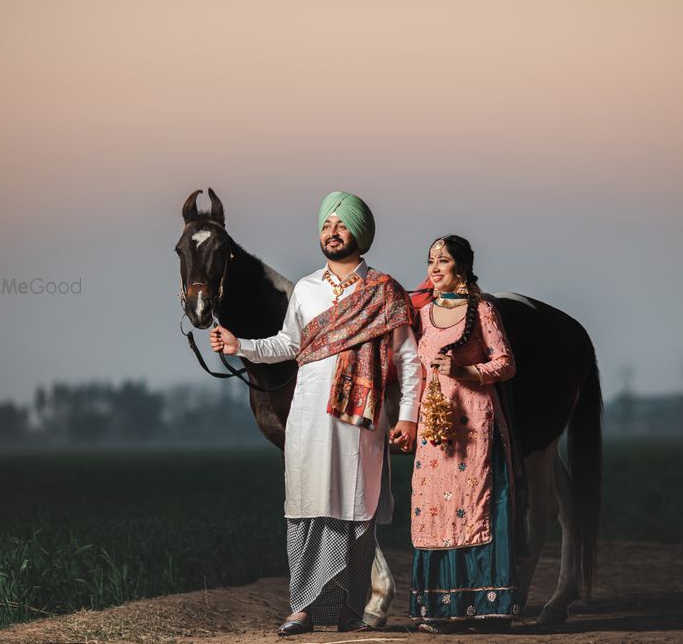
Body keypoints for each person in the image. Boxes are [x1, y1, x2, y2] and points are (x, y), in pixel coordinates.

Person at [209, 191, 423, 636]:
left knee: (357, 510)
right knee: (306, 507)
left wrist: (407, 416)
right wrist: (240, 345)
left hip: (360, 420)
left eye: (341, 225)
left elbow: (407, 360)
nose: (332, 232)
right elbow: (288, 346)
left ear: (360, 234)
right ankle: (303, 608)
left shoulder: (385, 291)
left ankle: (348, 611)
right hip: (308, 414)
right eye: (326, 225)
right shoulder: (306, 289)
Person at [409, 235, 520, 633]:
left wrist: (464, 373)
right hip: (435, 429)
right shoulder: (425, 313)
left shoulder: (483, 309)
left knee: (476, 506)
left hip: (475, 424)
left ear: (463, 267)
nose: (434, 268)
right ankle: (442, 609)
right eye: (430, 261)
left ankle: (487, 606)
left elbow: (505, 364)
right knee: (434, 510)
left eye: (443, 260)